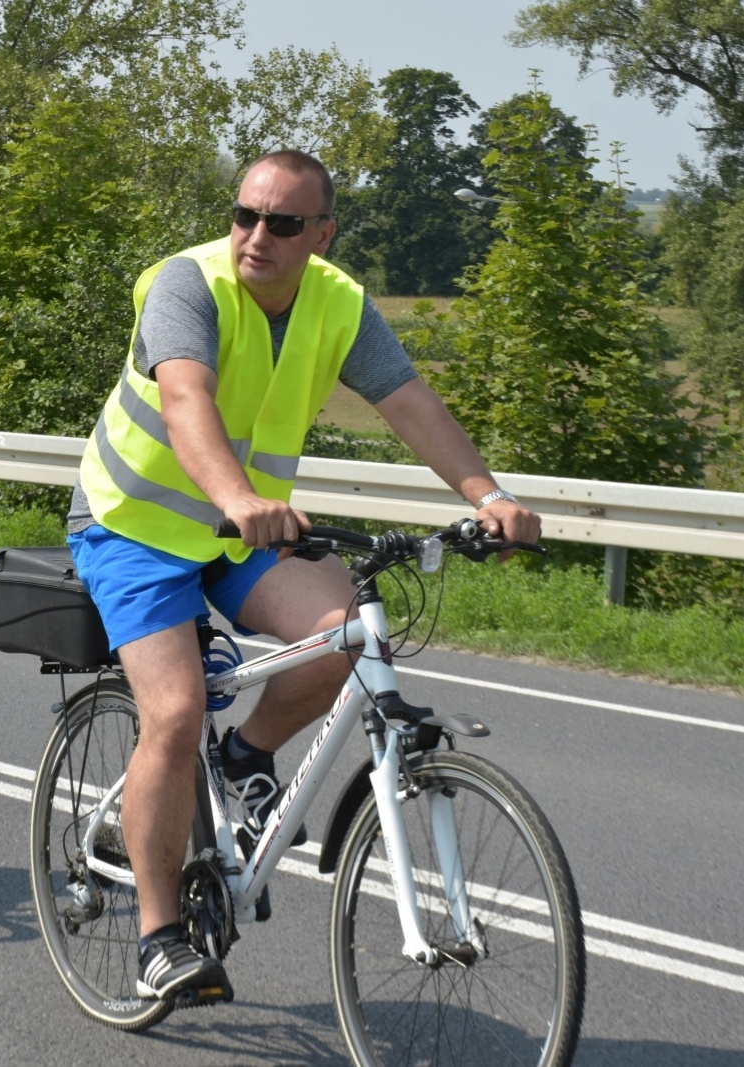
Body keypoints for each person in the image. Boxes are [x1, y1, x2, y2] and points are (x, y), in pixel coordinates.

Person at [67, 150, 542, 1002]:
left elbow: (409, 402)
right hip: (133, 526)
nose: (255, 236)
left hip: (239, 532)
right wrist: (239, 495)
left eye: (282, 223)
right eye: (244, 215)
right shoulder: (189, 284)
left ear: (321, 234)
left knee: (349, 637)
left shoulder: (338, 304)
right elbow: (186, 401)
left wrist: (489, 494)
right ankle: (157, 934)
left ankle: (249, 753)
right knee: (172, 714)